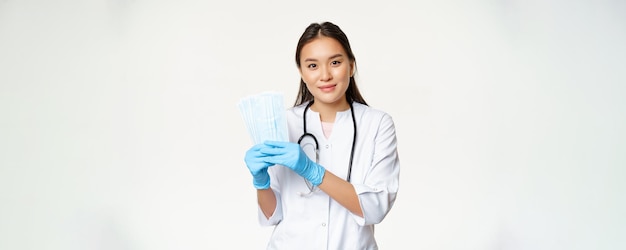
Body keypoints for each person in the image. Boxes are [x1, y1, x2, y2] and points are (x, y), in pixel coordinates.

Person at [243, 21, 400, 250]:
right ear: (302, 72)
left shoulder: (377, 124)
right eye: (313, 65)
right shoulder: (285, 123)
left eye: (335, 62)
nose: (325, 75)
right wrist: (260, 181)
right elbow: (273, 214)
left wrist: (312, 171)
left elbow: (375, 207)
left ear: (351, 65)